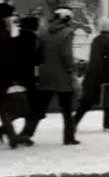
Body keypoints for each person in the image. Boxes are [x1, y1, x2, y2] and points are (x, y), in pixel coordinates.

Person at [20, 7, 80, 145]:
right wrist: (72, 69)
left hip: (46, 74)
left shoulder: (44, 31)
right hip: (62, 77)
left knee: (39, 108)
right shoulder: (67, 33)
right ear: (67, 19)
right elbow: (67, 55)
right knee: (66, 108)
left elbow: (38, 52)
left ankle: (26, 133)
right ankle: (69, 137)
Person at [74, 17, 109, 132]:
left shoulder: (96, 40)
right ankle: (107, 124)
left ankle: (74, 122)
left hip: (93, 75)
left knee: (87, 101)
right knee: (108, 99)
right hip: (103, 75)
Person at [12, 15, 41, 147]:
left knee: (18, 107)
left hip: (15, 78)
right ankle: (25, 134)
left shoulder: (15, 38)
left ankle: (11, 130)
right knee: (34, 109)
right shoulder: (33, 39)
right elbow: (37, 60)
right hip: (29, 78)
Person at [0, 2, 20, 148]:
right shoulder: (4, 33)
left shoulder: (5, 32)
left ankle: (12, 137)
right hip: (2, 76)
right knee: (2, 107)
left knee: (2, 107)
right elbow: (8, 57)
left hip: (3, 76)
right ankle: (12, 137)